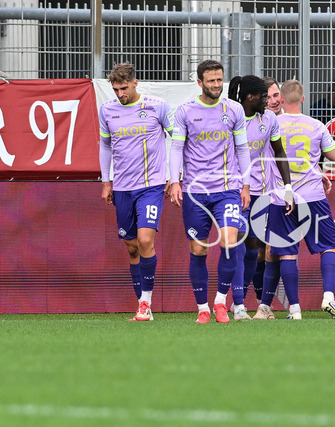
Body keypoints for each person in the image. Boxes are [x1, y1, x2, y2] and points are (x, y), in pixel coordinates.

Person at [168, 59, 251, 324]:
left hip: (227, 188)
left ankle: (220, 302)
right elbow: (176, 148)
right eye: (211, 80)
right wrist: (175, 181)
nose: (216, 85)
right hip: (196, 191)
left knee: (229, 242)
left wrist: (246, 184)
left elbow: (242, 149)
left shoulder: (234, 109)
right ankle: (203, 307)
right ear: (199, 82)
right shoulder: (185, 111)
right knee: (198, 250)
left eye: (219, 80)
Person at [257, 79, 335, 320]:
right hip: (313, 195)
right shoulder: (316, 125)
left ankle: (295, 310)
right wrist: (317, 168)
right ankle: (328, 297)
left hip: (282, 198)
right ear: (303, 99)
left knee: (286, 253)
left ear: (282, 100)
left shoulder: (271, 124)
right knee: (328, 247)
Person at [99, 62, 173, 321]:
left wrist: (175, 175)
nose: (120, 94)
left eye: (124, 88)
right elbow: (105, 146)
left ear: (134, 83)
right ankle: (143, 305)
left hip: (151, 185)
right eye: (116, 89)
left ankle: (145, 304)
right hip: (122, 187)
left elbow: (177, 138)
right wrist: (106, 181)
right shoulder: (107, 110)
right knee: (132, 248)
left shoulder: (156, 106)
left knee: (145, 240)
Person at [226, 74, 294, 319]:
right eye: (265, 96)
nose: (270, 101)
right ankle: (236, 302)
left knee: (254, 248)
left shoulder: (269, 119)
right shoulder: (230, 118)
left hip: (261, 191)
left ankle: (240, 300)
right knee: (236, 243)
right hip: (233, 190)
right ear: (250, 97)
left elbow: (279, 152)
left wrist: (288, 187)